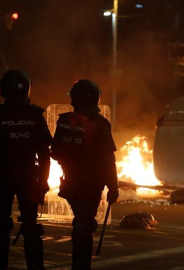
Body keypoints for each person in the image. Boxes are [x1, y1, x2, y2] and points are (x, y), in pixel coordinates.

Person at [0, 70, 51, 270]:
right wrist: (43, 182)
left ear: (4, 89)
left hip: (2, 176)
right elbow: (45, 154)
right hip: (28, 177)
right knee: (31, 227)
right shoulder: (35, 115)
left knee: (0, 224)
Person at [51, 79, 119, 270]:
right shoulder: (100, 124)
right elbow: (108, 159)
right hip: (90, 183)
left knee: (80, 223)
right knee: (83, 225)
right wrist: (113, 187)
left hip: (71, 181)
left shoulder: (64, 121)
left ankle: (78, 264)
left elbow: (55, 151)